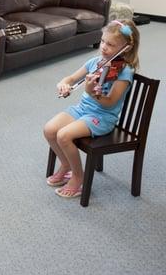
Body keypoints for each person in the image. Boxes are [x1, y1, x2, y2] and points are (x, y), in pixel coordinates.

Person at [43, 19, 140, 198]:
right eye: (103, 41)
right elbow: (70, 79)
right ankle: (66, 166)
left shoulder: (124, 72)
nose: (104, 47)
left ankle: (78, 177)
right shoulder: (95, 61)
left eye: (111, 44)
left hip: (102, 117)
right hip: (82, 109)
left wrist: (91, 92)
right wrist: (63, 84)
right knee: (49, 130)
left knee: (63, 136)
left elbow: (110, 102)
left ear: (126, 48)